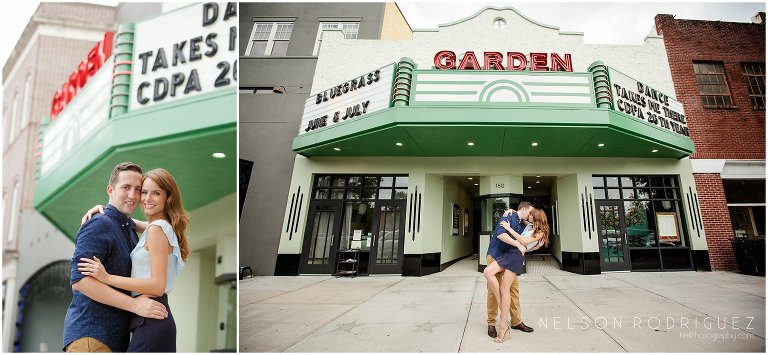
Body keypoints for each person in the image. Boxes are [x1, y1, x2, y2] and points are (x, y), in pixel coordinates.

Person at [78, 168, 189, 352]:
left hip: (151, 317)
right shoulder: (157, 227)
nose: (146, 198)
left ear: (167, 197)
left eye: (156, 193)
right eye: (144, 192)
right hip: (149, 318)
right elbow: (130, 222)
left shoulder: (157, 230)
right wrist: (104, 210)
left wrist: (108, 278)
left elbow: (157, 285)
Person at [63, 162, 169, 352]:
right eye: (126, 188)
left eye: (138, 189)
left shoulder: (127, 229)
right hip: (92, 336)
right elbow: (81, 281)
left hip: (115, 339)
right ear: (110, 189)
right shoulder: (98, 224)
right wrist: (134, 305)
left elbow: (166, 226)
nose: (133, 195)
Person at [484, 203, 550, 342]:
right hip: (496, 256)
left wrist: (524, 247)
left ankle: (515, 321)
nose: (531, 215)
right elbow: (501, 235)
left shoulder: (527, 225)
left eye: (533, 214)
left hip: (512, 257)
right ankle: (491, 323)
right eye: (530, 212)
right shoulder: (509, 217)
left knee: (512, 290)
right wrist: (518, 244)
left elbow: (527, 242)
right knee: (493, 291)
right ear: (525, 210)